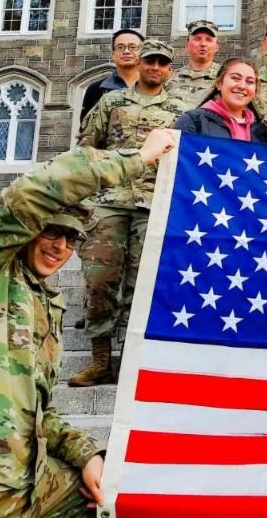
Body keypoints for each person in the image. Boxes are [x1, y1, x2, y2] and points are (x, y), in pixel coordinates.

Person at [0, 130, 176, 518]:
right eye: (51, 231)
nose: (60, 247)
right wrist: (138, 158)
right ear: (27, 230)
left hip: (28, 480)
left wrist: (89, 455)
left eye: (71, 238)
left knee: (116, 492)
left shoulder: (45, 303)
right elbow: (36, 190)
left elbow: (37, 410)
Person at [70, 40, 188, 387]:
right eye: (150, 60)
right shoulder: (110, 101)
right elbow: (86, 149)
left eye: (162, 63)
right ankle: (101, 360)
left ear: (170, 69)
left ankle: (133, 362)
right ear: (139, 64)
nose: (155, 67)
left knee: (144, 286)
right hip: (108, 201)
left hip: (152, 204)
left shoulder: (180, 110)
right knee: (99, 281)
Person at [175, 56, 267, 142]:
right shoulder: (192, 121)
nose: (242, 86)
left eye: (249, 82)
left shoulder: (259, 130)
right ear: (219, 83)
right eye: (235, 78)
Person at [80, 28, 144, 117]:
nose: (126, 51)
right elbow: (85, 127)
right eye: (120, 47)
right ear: (113, 55)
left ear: (143, 53)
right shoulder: (96, 89)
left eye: (133, 47)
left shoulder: (156, 86)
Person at [163, 19, 221, 109]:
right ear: (187, 45)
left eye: (209, 40)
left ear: (216, 47)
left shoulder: (224, 77)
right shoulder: (170, 77)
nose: (203, 44)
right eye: (197, 39)